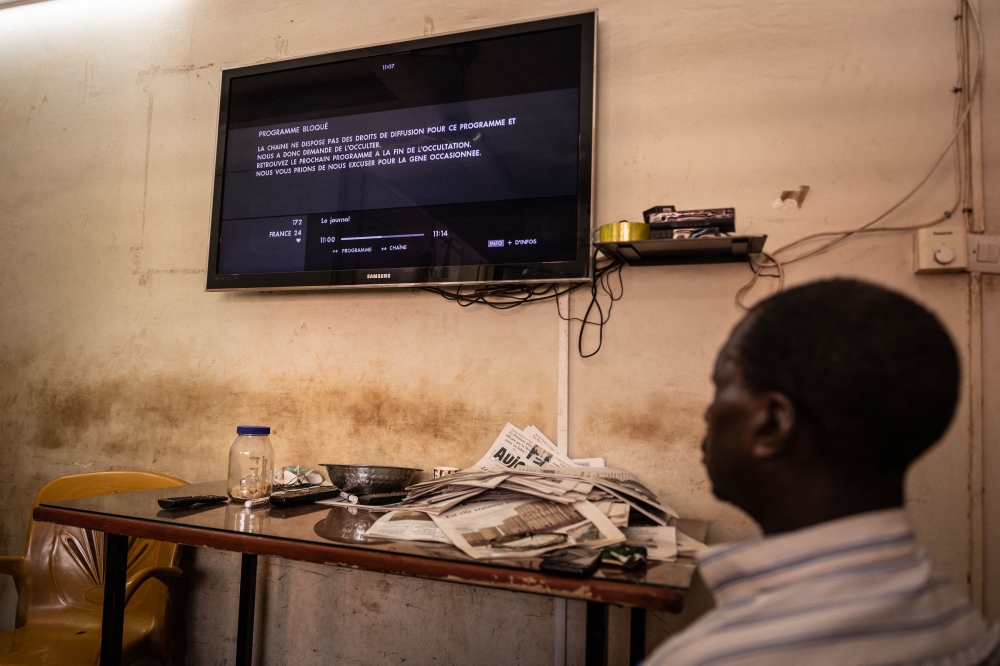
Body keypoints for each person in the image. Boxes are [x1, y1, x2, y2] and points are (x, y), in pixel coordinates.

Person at [644, 278, 999, 666]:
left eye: (720, 387)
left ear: (772, 424)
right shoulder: (960, 621)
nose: (709, 412)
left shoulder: (713, 658)